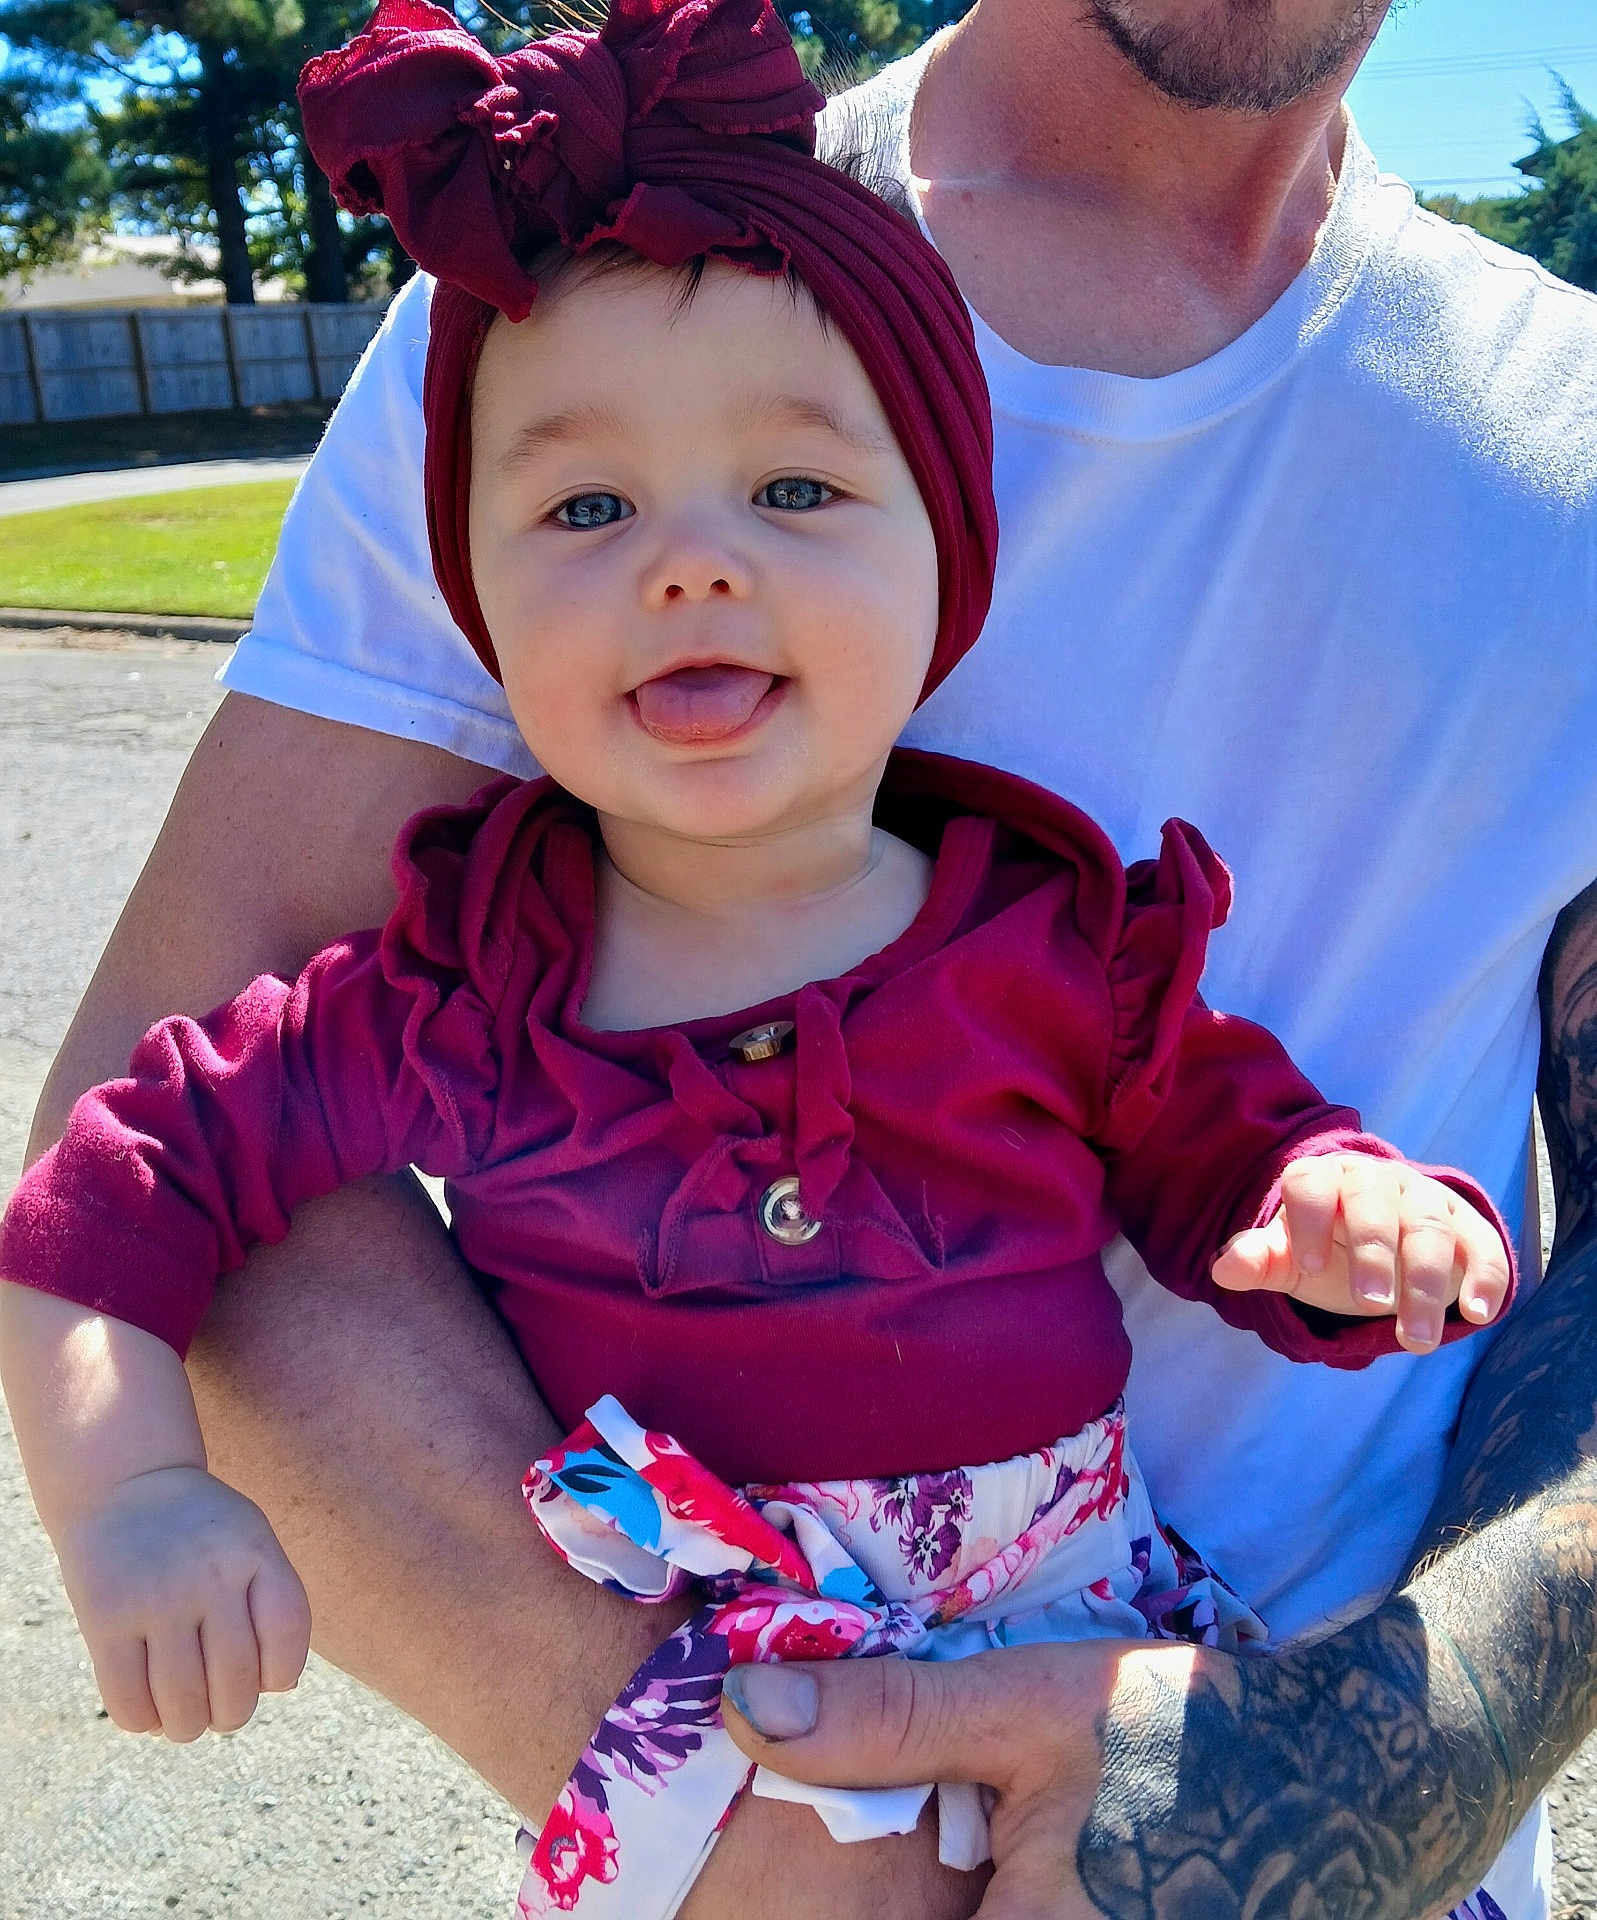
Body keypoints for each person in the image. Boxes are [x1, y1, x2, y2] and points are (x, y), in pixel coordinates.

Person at [17, 0, 1597, 1914]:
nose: (689, 563)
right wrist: (729, 1818)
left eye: (795, 498)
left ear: (951, 554)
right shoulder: (589, 281)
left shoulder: (1055, 923)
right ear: (483, 601)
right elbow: (135, 1143)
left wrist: (1338, 1234)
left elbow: (1220, 1145)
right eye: (587, 515)